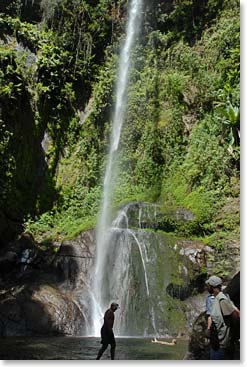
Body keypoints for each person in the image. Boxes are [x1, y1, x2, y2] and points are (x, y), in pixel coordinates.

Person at [205, 275, 240, 360]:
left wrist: (232, 334)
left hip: (221, 344)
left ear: (212, 287)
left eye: (208, 285)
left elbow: (234, 315)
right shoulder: (217, 298)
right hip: (216, 341)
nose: (207, 287)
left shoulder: (222, 299)